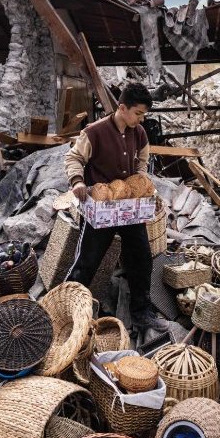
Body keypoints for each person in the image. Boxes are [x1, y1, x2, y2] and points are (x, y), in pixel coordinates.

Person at [64, 83, 169, 341]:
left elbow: (142, 161)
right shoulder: (95, 132)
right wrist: (78, 182)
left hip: (129, 209)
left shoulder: (140, 133)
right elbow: (73, 158)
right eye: (138, 113)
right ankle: (66, 309)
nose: (141, 119)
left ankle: (142, 312)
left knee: (141, 257)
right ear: (122, 107)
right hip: (101, 210)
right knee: (87, 261)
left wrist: (142, 183)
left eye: (144, 115)